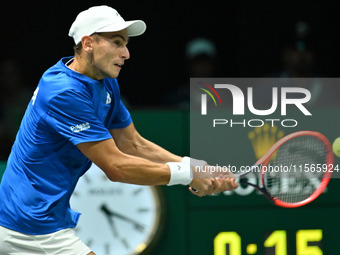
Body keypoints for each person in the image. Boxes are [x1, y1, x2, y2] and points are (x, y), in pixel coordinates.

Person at [0, 5, 238, 255]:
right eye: (116, 42)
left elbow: (132, 144)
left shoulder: (105, 82)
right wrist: (187, 175)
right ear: (88, 43)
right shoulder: (63, 92)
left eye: (125, 44)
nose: (126, 53)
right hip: (28, 225)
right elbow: (116, 167)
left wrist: (194, 165)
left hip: (35, 218)